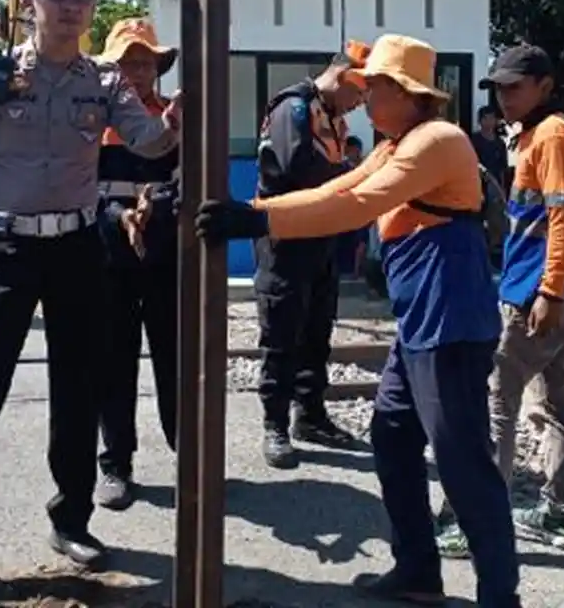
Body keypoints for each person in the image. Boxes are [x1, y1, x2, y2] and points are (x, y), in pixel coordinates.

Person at [196, 34, 518, 607]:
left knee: (462, 460)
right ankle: (418, 570)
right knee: (392, 436)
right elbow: (338, 187)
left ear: (405, 92)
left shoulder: (438, 141)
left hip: (450, 318)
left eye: (375, 89)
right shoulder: (397, 143)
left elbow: (356, 206)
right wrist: (256, 211)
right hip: (420, 317)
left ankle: (500, 595)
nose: (365, 98)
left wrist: (255, 221)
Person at [0, 0, 181, 601]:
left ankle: (71, 518)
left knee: (79, 389)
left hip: (76, 249)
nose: (69, 6)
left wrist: (182, 112)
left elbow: (149, 141)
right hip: (7, 251)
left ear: (91, 6)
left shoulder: (105, 81)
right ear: (30, 2)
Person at [434, 42, 564, 558]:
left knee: (498, 401)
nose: (504, 97)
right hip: (549, 287)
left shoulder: (554, 136)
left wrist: (549, 290)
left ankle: (481, 522)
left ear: (544, 86)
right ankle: (558, 511)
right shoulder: (534, 136)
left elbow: (563, 219)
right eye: (498, 88)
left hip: (540, 292)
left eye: (514, 87)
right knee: (551, 399)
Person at [253, 42, 367, 468]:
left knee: (317, 332)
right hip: (285, 235)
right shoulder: (295, 108)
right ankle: (275, 424)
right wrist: (352, 177)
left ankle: (311, 415)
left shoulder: (330, 115)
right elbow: (294, 168)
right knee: (281, 333)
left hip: (320, 237)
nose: (358, 106)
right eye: (358, 94)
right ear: (341, 77)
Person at [92, 17, 181, 511]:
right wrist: (120, 214)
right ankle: (116, 464)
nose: (139, 70)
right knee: (113, 362)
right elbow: (80, 192)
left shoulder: (175, 118)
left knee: (175, 357)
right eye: (128, 62)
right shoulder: (91, 123)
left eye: (146, 61)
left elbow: (191, 183)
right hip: (109, 260)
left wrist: (159, 205)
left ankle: (188, 456)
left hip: (166, 257)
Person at [334, 136, 369, 278]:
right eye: (349, 150)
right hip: (344, 210)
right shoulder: (341, 168)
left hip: (362, 209)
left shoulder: (366, 167)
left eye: (355, 150)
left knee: (361, 240)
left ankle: (356, 272)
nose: (352, 153)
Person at [471, 104, 509, 190]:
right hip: (478, 184)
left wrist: (502, 188)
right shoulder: (473, 140)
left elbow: (502, 169)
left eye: (491, 118)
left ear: (495, 121)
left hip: (495, 185)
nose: (489, 122)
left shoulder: (500, 143)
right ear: (479, 121)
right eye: (485, 118)